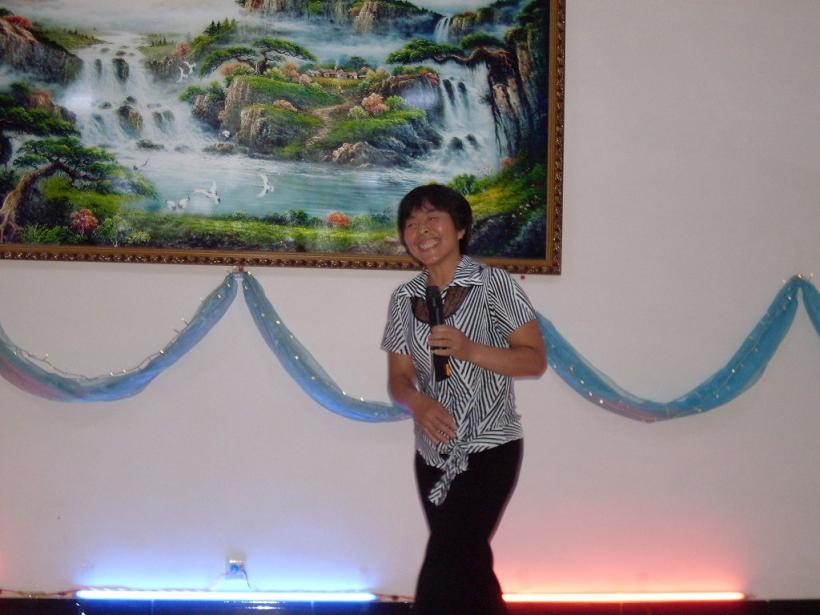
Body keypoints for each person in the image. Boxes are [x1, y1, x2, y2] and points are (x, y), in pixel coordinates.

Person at [381, 184, 547, 615]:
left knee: (444, 569)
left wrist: (470, 349)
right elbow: (398, 379)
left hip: (490, 449)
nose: (422, 231)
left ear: (460, 229)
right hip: (432, 454)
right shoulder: (403, 298)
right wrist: (417, 403)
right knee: (469, 568)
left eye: (432, 218)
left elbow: (534, 360)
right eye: (411, 223)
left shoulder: (494, 284)